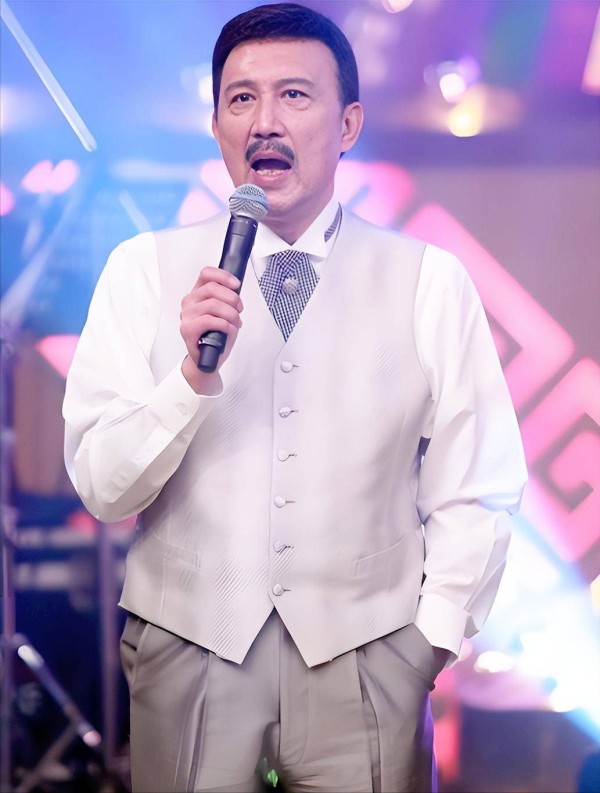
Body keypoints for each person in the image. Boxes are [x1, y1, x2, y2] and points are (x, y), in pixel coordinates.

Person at [63, 3, 527, 791]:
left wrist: (428, 643)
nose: (265, 122)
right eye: (241, 99)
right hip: (190, 650)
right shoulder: (142, 269)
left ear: (347, 124)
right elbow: (104, 488)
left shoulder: (428, 279)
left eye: (294, 96)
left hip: (368, 656)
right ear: (216, 124)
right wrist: (189, 379)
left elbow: (476, 482)